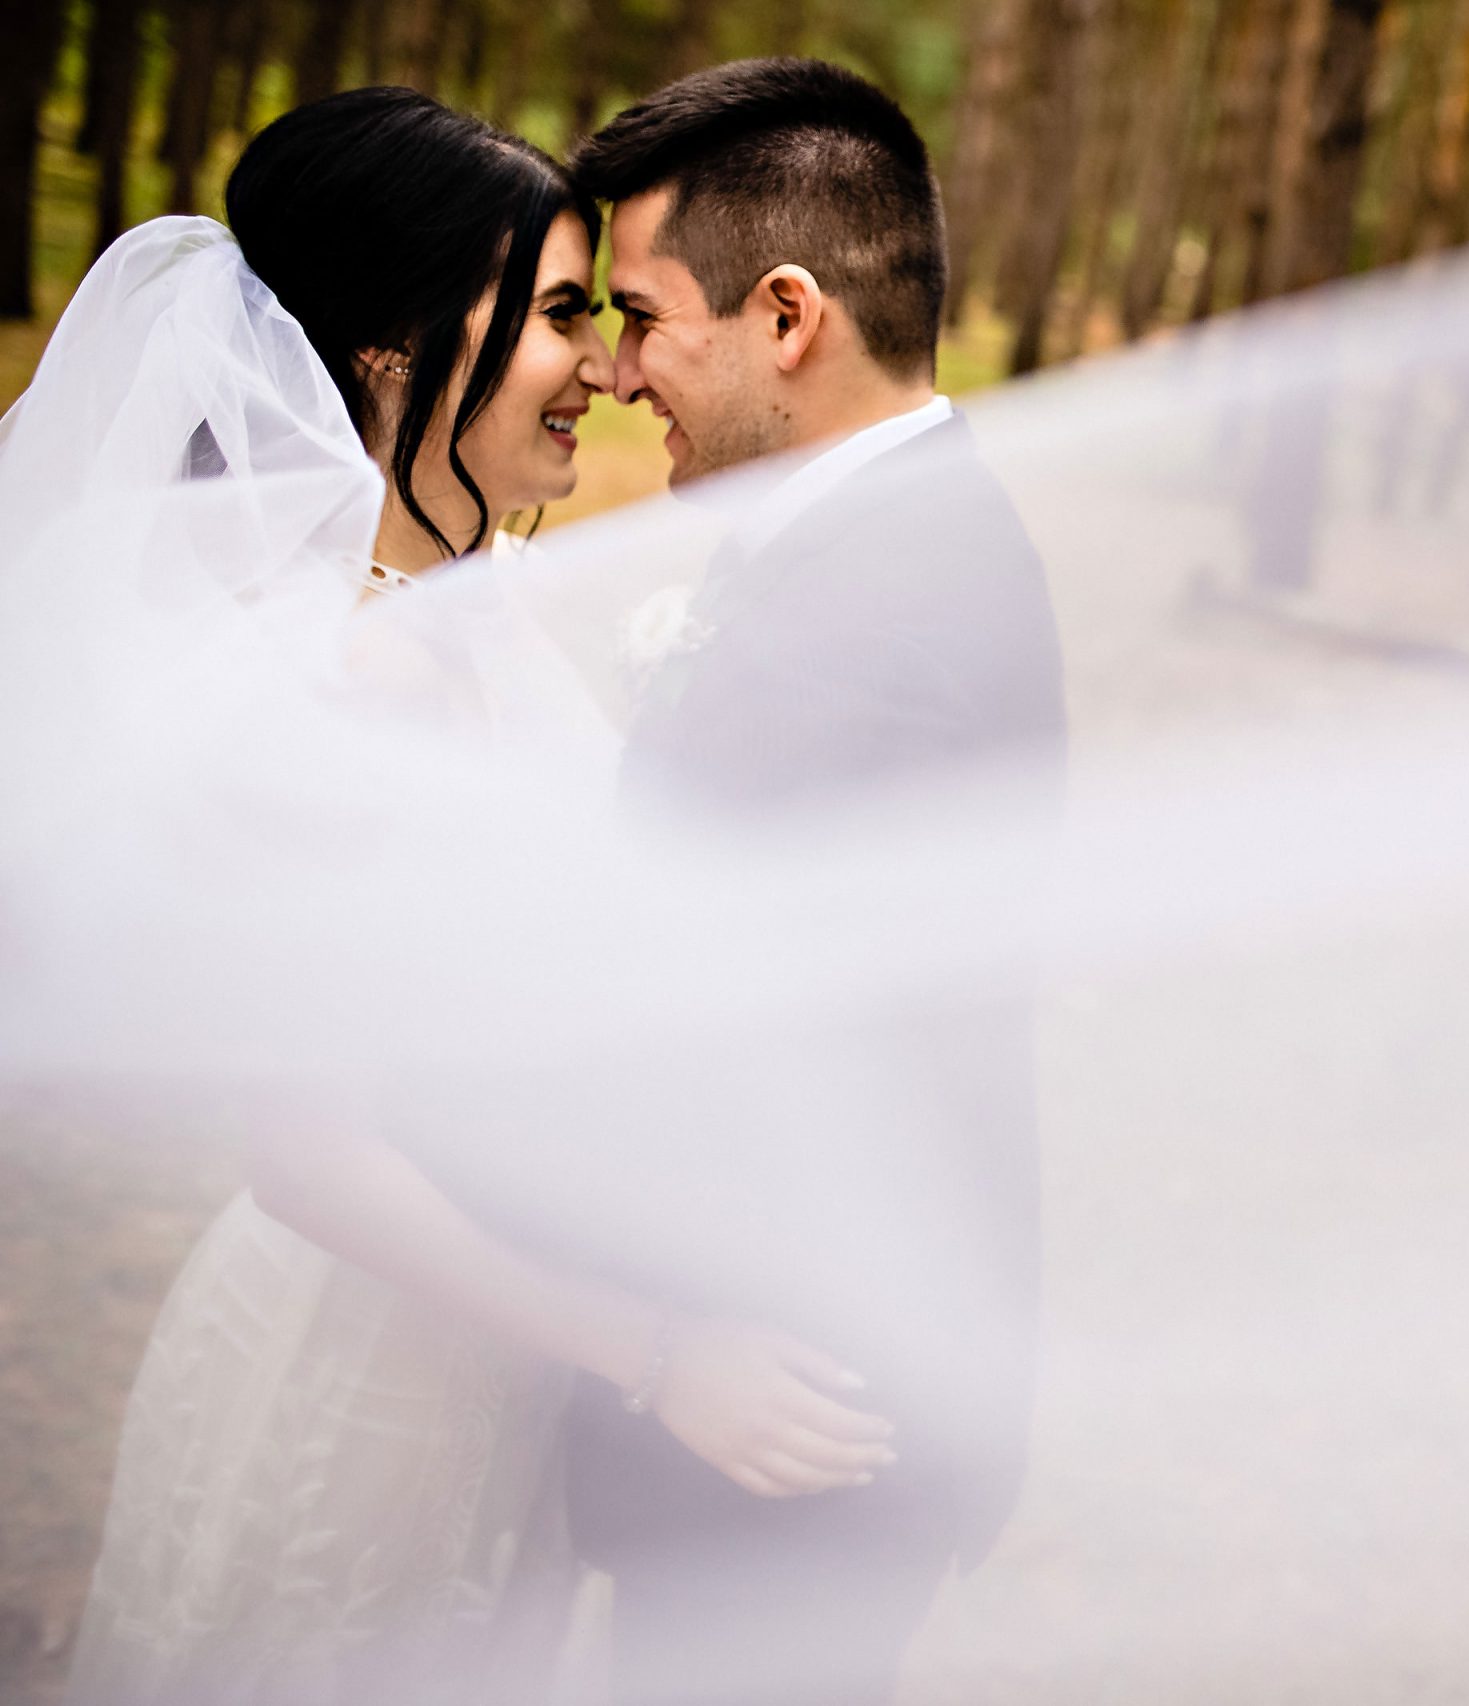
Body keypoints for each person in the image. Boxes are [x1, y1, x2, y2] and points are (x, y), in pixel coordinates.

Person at [32, 88, 894, 1706]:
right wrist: (658, 1356)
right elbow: (306, 1151)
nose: (609, 363)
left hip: (506, 1368)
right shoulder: (341, 683)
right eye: (559, 315)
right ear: (392, 354)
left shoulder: (469, 605)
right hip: (358, 1388)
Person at [557, 58, 1066, 1706]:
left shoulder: (890, 611)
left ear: (787, 315)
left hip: (796, 1428)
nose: (622, 373)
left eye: (641, 318)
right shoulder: (878, 538)